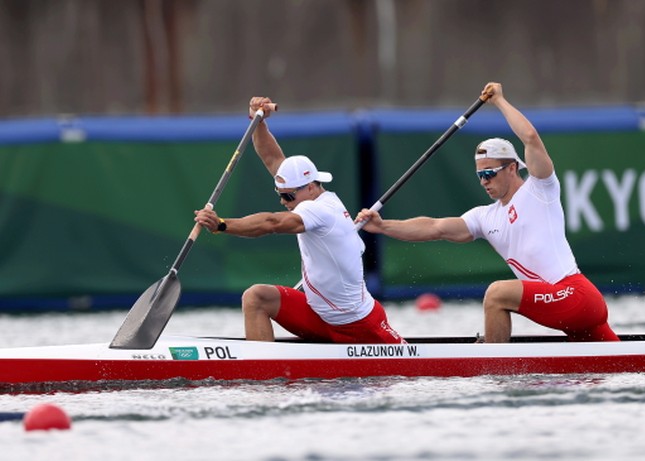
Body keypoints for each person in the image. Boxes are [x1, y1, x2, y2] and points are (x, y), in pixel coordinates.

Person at [356, 82, 619, 343]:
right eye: (480, 175)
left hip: (575, 295)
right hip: (567, 308)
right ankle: (496, 357)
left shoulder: (540, 188)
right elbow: (435, 227)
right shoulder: (485, 217)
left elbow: (530, 137)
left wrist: (500, 102)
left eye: (489, 173)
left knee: (496, 294)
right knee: (619, 362)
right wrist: (383, 227)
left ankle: (492, 371)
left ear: (512, 168)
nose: (484, 181)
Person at [194, 96, 403, 344]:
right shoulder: (304, 192)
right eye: (280, 195)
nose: (284, 201)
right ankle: (261, 374)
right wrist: (257, 120)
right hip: (319, 317)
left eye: (288, 196)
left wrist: (221, 225)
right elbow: (272, 158)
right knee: (256, 297)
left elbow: (272, 223)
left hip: (358, 324)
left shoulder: (320, 210)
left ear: (312, 188)